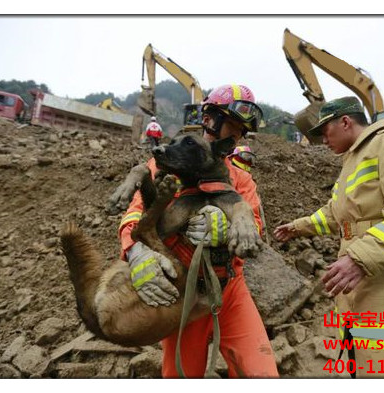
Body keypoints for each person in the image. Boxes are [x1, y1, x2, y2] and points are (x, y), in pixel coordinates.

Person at [273, 96, 384, 378]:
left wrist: (360, 259)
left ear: (345, 121)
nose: (323, 140)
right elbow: (339, 214)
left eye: (325, 131)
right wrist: (298, 226)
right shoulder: (354, 160)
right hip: (370, 285)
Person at [119, 84, 279, 378]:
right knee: (181, 376)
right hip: (185, 293)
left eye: (242, 132)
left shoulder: (240, 178)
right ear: (210, 119)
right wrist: (136, 251)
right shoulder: (165, 161)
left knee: (262, 374)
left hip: (229, 291)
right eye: (233, 125)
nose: (237, 136)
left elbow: (254, 226)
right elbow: (136, 212)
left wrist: (229, 226)